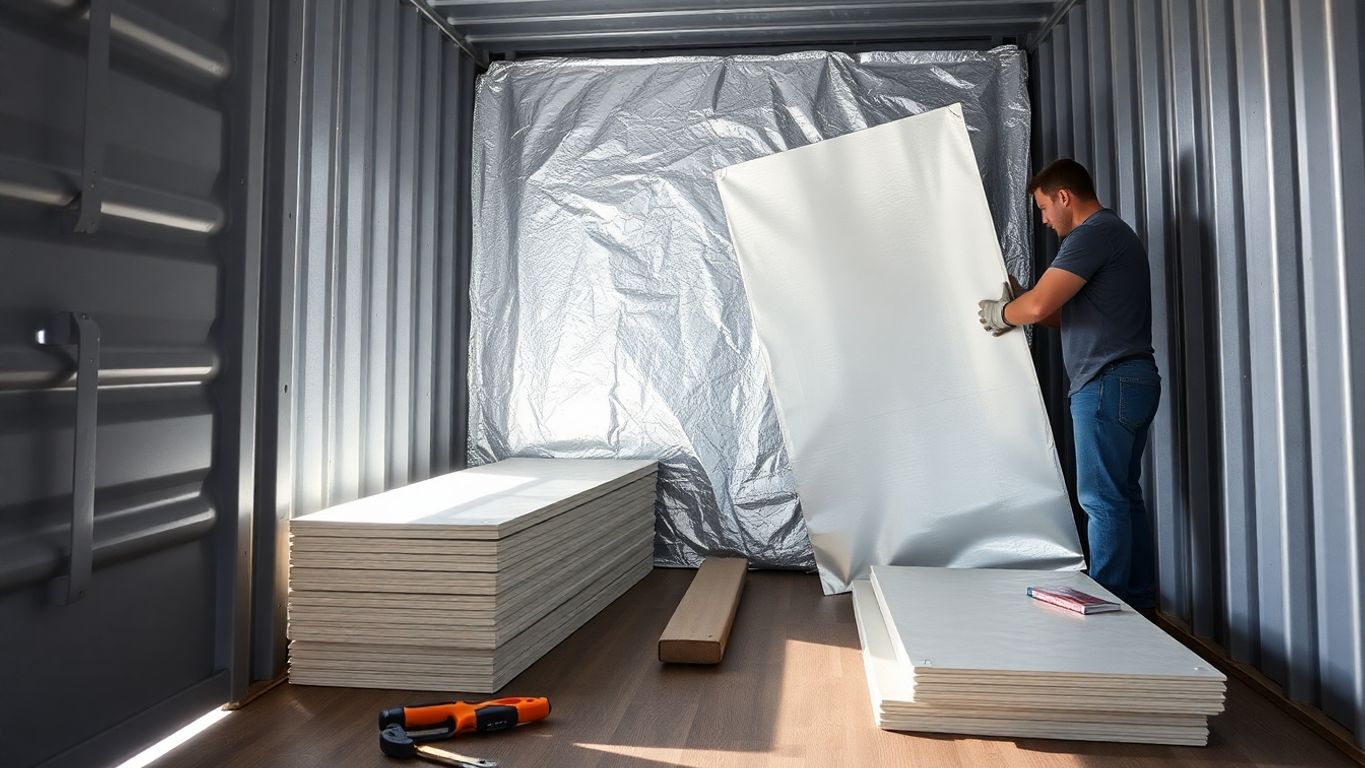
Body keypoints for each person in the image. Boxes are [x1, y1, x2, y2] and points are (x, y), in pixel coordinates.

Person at [977, 159, 1160, 610]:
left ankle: (1109, 604)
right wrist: (1024, 304)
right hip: (1133, 379)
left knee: (1101, 500)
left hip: (1106, 383)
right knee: (1122, 494)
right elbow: (1059, 313)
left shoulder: (1091, 235)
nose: (1043, 219)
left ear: (1064, 197)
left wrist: (1003, 313)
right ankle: (1137, 605)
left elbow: (1040, 308)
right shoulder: (1115, 233)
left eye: (1043, 207)